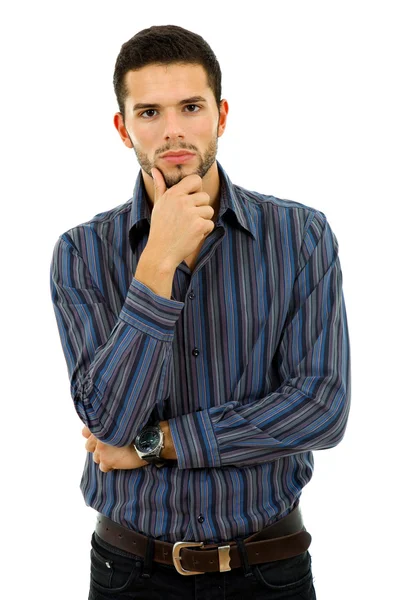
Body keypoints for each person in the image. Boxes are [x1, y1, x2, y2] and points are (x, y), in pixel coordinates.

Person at [50, 24, 351, 599]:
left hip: (270, 567)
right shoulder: (80, 253)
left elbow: (321, 409)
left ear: (221, 114)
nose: (173, 131)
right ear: (122, 127)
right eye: (149, 112)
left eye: (191, 106)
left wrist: (155, 443)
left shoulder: (301, 237)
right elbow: (106, 420)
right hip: (129, 572)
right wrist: (157, 263)